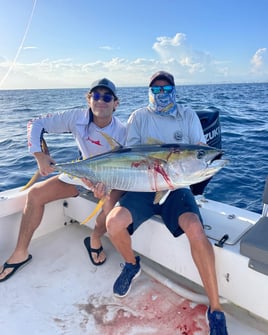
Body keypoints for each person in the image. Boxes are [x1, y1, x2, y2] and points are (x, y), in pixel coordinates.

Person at [105, 71, 228, 335]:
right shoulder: (138, 117)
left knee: (195, 228)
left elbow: (198, 149)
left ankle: (216, 309)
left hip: (176, 186)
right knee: (113, 222)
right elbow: (130, 156)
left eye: (166, 89)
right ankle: (131, 264)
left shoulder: (187, 115)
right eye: (156, 90)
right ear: (149, 92)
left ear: (174, 90)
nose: (162, 94)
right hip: (144, 186)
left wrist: (189, 159)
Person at [0, 78, 126, 282]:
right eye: (96, 95)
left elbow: (127, 168)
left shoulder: (123, 131)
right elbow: (36, 122)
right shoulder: (76, 117)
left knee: (109, 205)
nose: (100, 100)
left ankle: (94, 239)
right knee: (35, 194)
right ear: (89, 99)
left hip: (112, 179)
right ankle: (20, 253)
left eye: (107, 96)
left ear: (115, 103)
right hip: (82, 173)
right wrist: (39, 155)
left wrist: (107, 185)